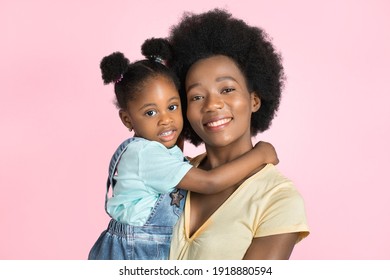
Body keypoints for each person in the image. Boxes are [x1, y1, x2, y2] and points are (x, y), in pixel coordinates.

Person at [88, 38, 279, 260]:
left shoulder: (155, 149)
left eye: (172, 107)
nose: (166, 120)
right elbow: (210, 182)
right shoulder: (146, 156)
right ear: (127, 120)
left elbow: (175, 147)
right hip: (136, 252)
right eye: (150, 112)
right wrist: (260, 154)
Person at [165, 9, 310, 260]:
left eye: (227, 89)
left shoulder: (277, 198)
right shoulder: (171, 174)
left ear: (254, 100)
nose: (212, 104)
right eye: (197, 96)